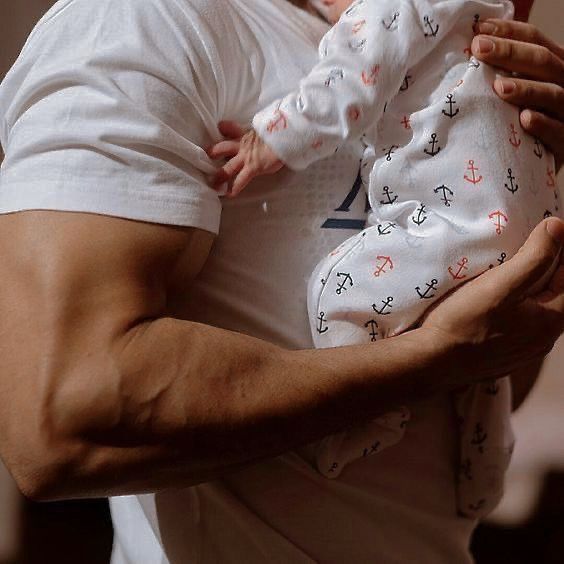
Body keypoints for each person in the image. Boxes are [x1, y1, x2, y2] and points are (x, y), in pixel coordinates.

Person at [0, 0, 562, 562]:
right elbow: (61, 424)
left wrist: (516, 181)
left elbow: (496, 370)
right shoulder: (146, 24)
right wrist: (430, 359)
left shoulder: (443, 45)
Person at [208, 0, 560, 519]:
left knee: (338, 295)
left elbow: (346, 84)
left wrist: (270, 140)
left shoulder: (391, 8)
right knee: (486, 369)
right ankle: (484, 478)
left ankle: (376, 415)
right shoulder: (484, 24)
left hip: (456, 225)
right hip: (525, 229)